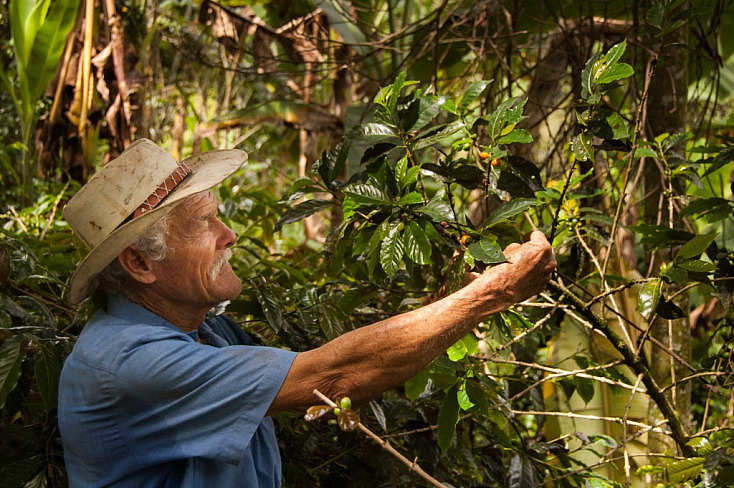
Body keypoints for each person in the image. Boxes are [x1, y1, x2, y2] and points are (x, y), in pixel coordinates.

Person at [58, 139, 556, 487]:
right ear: (140, 263)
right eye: (204, 223)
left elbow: (326, 369)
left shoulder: (203, 332)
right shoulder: (127, 365)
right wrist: (495, 292)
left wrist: (447, 304)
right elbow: (333, 375)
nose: (229, 235)